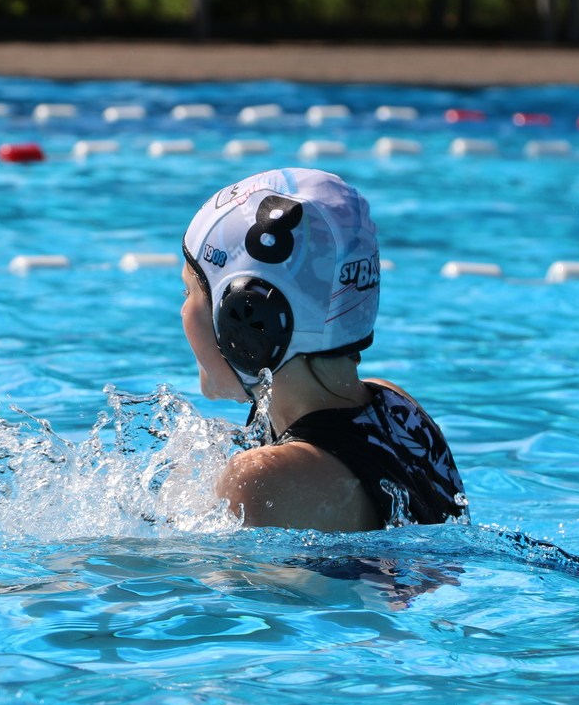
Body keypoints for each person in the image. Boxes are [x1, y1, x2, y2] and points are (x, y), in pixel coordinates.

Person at [179, 168, 467, 532]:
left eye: (189, 291)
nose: (183, 311)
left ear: (247, 316)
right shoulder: (397, 407)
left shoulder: (261, 479)